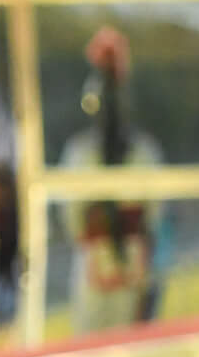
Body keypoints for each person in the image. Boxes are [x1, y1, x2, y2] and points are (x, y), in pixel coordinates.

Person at [59, 25, 164, 332]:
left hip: (131, 265)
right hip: (97, 266)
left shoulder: (143, 153)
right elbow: (75, 222)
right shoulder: (80, 155)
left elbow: (152, 217)